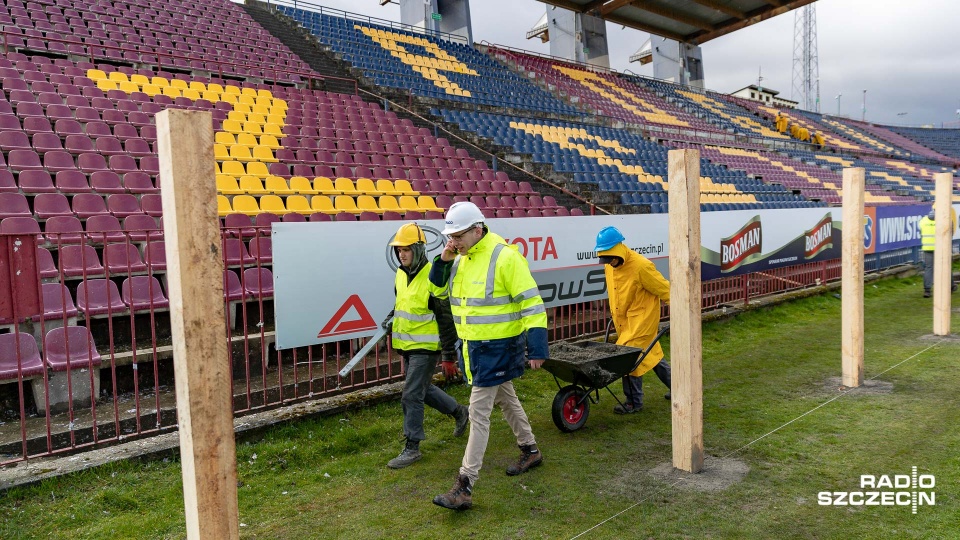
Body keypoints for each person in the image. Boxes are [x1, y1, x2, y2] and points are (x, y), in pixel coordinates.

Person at [428, 202, 548, 511]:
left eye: (457, 235)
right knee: (507, 399)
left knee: (478, 413)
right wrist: (443, 260)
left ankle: (465, 485)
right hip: (475, 349)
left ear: (477, 230)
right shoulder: (460, 258)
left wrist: (537, 348)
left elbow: (532, 304)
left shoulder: (505, 257)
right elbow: (437, 292)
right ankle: (531, 449)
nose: (453, 241)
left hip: (499, 349)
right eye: (450, 236)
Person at [384, 223, 469, 469]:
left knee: (411, 394)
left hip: (427, 347)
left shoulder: (433, 275)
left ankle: (412, 447)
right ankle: (459, 411)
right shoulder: (401, 273)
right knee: (422, 389)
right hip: (406, 344)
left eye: (407, 249)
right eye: (399, 250)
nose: (402, 254)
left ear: (419, 249)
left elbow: (445, 318)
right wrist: (392, 317)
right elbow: (404, 303)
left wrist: (448, 356)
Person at [595, 226, 671, 414]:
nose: (609, 262)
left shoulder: (641, 266)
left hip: (642, 321)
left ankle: (633, 401)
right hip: (624, 320)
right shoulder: (610, 265)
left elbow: (665, 289)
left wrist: (682, 311)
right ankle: (680, 387)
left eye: (610, 258)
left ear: (618, 251)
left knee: (627, 358)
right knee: (651, 356)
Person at [919, 206, 959, 298]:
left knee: (929, 268)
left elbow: (921, 232)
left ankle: (927, 290)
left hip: (928, 248)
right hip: (941, 248)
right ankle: (951, 286)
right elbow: (950, 233)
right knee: (946, 266)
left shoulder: (923, 220)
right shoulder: (945, 219)